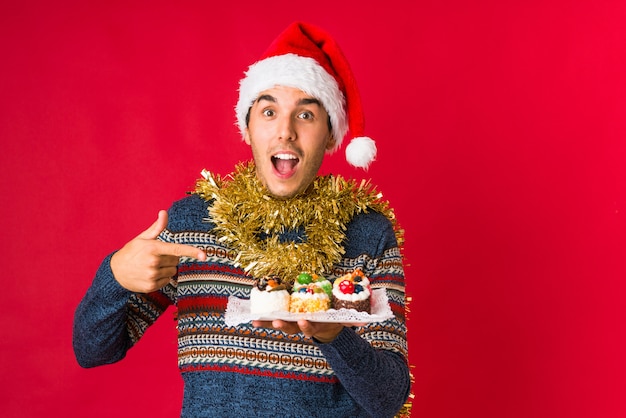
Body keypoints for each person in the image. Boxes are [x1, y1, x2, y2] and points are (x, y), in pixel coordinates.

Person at [73, 21, 411, 418]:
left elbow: (389, 397)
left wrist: (334, 335)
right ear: (248, 129)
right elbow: (92, 352)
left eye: (305, 115)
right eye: (268, 112)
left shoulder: (368, 233)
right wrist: (115, 275)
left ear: (330, 135)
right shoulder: (191, 225)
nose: (285, 132)